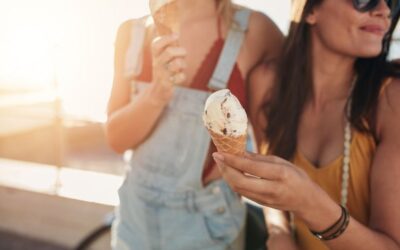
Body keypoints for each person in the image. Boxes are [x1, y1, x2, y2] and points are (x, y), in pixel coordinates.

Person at [212, 0, 400, 249]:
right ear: (310, 9)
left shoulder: (390, 98)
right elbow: (270, 182)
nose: (384, 11)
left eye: (392, 2)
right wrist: (278, 232)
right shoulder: (267, 84)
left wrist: (308, 202)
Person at [105, 0, 283, 249]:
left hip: (211, 230)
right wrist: (157, 92)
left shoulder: (256, 31)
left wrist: (279, 230)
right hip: (133, 226)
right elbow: (116, 139)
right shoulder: (131, 33)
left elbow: (276, 150)